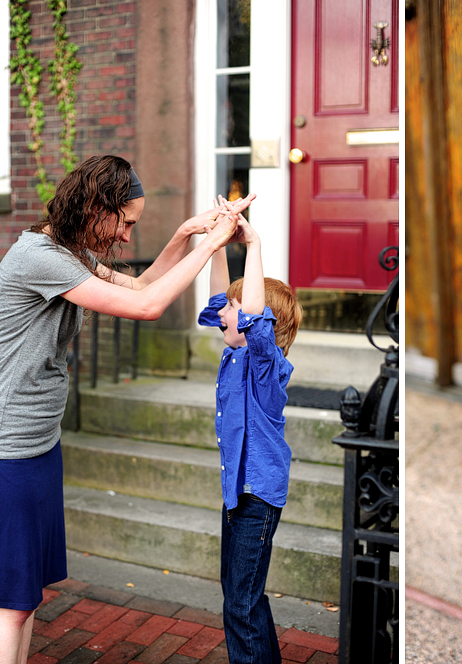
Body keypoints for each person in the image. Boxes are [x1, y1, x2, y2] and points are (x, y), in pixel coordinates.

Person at [0, 154, 252, 664]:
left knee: (25, 598)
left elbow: (140, 283)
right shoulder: (40, 257)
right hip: (1, 448)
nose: (128, 237)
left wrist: (184, 234)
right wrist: (212, 245)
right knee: (11, 599)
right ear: (97, 208)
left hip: (36, 444)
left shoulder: (69, 253)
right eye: (126, 222)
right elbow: (147, 306)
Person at [197, 195, 302, 663]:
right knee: (243, 596)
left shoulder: (265, 365)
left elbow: (253, 315)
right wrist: (219, 241)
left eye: (234, 308)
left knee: (239, 604)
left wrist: (254, 243)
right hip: (238, 493)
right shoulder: (235, 351)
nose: (223, 313)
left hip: (257, 496)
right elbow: (222, 299)